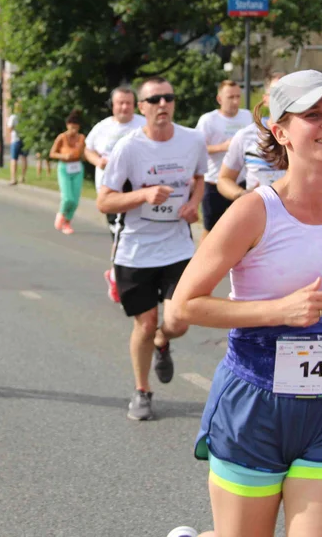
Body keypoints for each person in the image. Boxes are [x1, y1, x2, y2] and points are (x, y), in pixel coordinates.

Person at [167, 70, 322, 537]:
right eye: (312, 114)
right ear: (280, 131)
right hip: (256, 404)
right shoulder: (254, 211)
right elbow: (183, 306)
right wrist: (279, 312)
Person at [96, 76, 207, 420]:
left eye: (168, 98)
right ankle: (142, 391)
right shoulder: (128, 148)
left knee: (180, 319)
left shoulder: (193, 140)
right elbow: (104, 201)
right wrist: (143, 195)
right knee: (144, 325)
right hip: (136, 249)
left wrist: (194, 204)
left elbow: (200, 178)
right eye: (154, 100)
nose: (162, 104)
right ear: (141, 108)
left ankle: (164, 339)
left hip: (177, 247)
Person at [84, 86, 147, 302]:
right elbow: (87, 149)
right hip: (111, 192)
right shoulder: (102, 128)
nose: (124, 107)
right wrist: (98, 161)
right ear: (113, 105)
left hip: (140, 190)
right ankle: (118, 277)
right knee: (120, 236)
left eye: (129, 103)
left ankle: (122, 274)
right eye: (120, 103)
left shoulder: (143, 125)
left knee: (138, 235)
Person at [217, 73, 288, 202]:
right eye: (276, 93)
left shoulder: (309, 133)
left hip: (299, 216)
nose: (283, 99)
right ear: (265, 99)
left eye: (288, 93)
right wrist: (241, 195)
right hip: (259, 215)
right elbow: (224, 179)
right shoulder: (246, 135)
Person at [195, 80, 253, 238]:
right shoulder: (208, 120)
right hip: (214, 182)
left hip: (240, 182)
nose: (235, 101)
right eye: (230, 97)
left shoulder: (247, 116)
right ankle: (202, 262)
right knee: (210, 230)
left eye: (238, 96)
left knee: (243, 229)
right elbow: (197, 148)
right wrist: (223, 147)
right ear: (220, 99)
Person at [49, 108, 87, 235]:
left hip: (77, 168)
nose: (73, 131)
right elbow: (52, 153)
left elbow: (84, 153)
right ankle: (61, 214)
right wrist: (63, 156)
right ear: (67, 126)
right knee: (67, 198)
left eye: (76, 128)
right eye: (71, 128)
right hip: (65, 168)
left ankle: (67, 222)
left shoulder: (82, 138)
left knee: (75, 199)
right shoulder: (62, 137)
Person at [7, 103, 28, 185]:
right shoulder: (25, 117)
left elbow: (9, 129)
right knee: (24, 158)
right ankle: (22, 176)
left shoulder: (13, 117)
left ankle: (13, 178)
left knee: (14, 159)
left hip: (15, 139)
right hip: (25, 139)